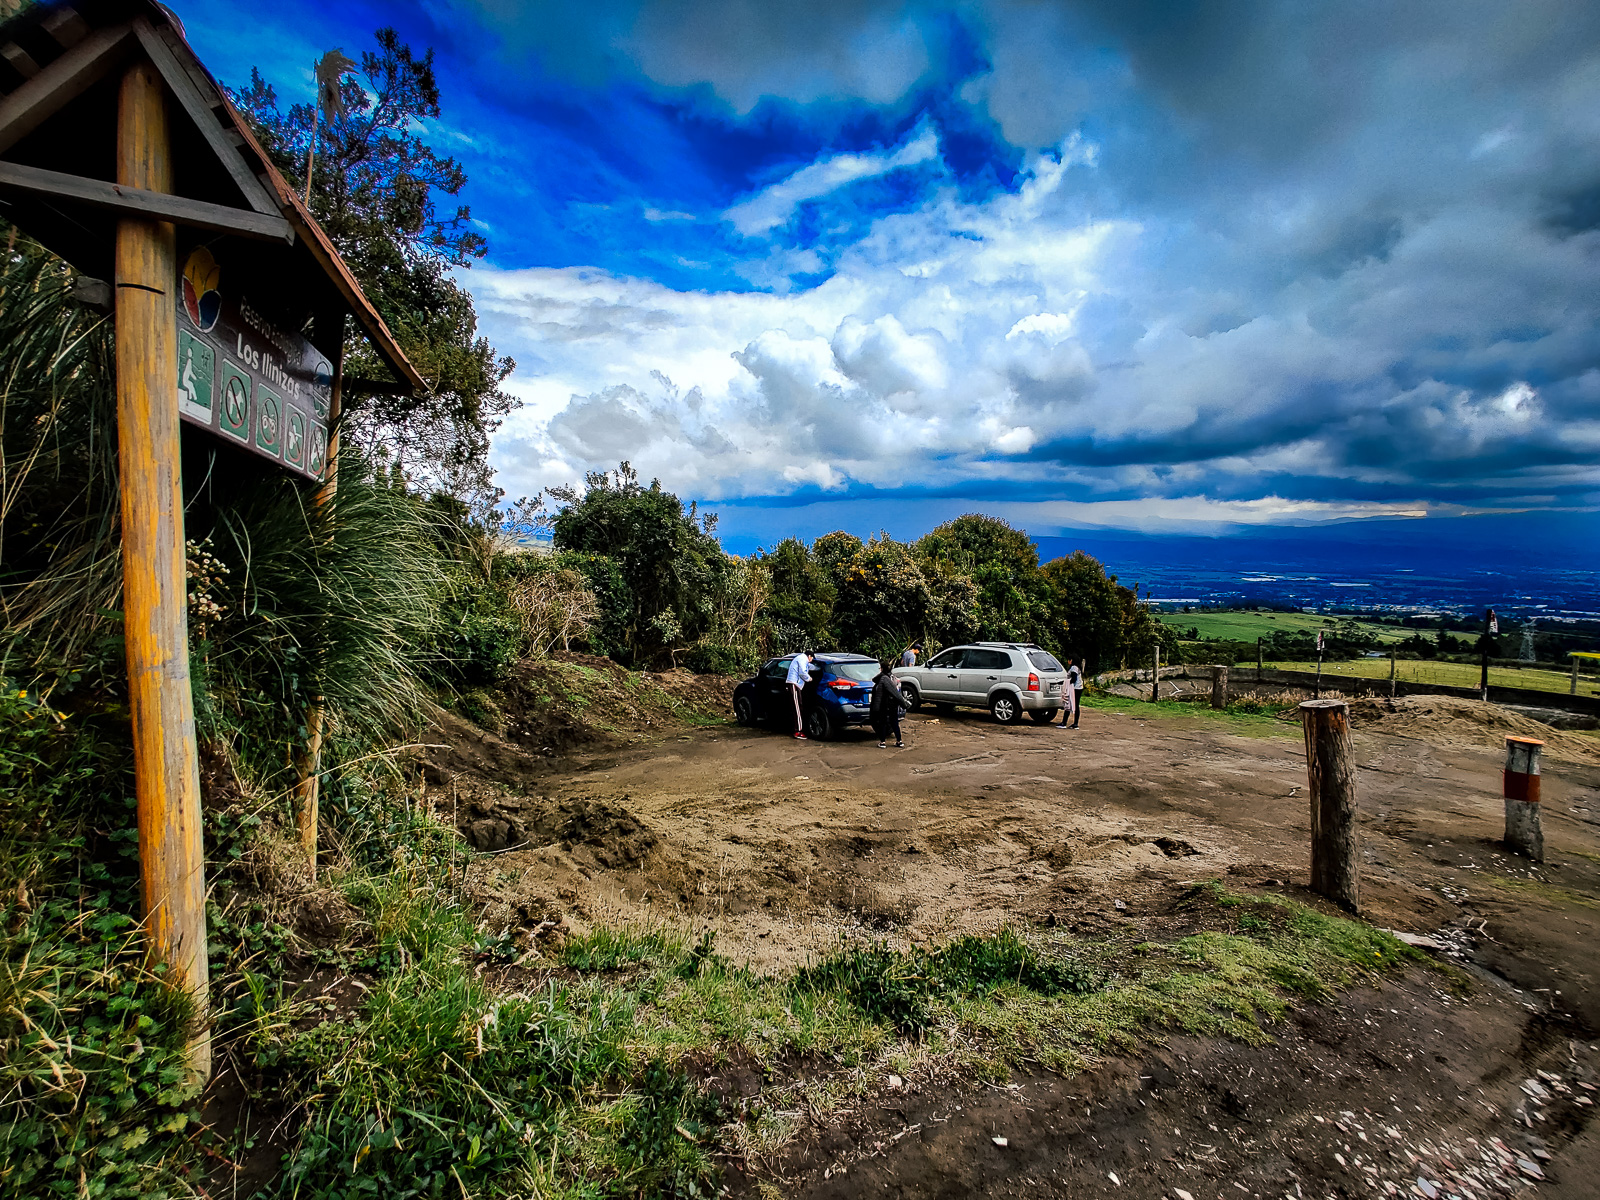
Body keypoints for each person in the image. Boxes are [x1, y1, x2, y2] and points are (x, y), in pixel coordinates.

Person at [870, 659, 912, 748]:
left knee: (883, 722)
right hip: (893, 704)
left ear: (881, 669)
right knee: (894, 722)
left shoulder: (883, 679)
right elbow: (897, 692)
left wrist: (875, 708)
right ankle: (899, 741)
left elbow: (879, 694)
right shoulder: (893, 678)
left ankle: (882, 742)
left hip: (884, 704)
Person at [786, 650, 816, 739]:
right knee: (797, 708)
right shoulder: (803, 659)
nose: (811, 660)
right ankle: (798, 731)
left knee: (798, 706)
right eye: (812, 659)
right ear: (809, 656)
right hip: (794, 684)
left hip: (795, 684)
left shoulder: (801, 659)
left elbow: (810, 667)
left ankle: (799, 728)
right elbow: (802, 672)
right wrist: (809, 678)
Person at [1062, 657, 1084, 728]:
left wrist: (1066, 683)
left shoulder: (1074, 668)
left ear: (1071, 660)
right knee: (1075, 705)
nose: (1068, 661)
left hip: (1074, 688)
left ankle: (1064, 723)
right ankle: (1075, 723)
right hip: (1079, 688)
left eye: (1069, 659)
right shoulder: (1077, 667)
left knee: (1068, 703)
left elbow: (1074, 679)